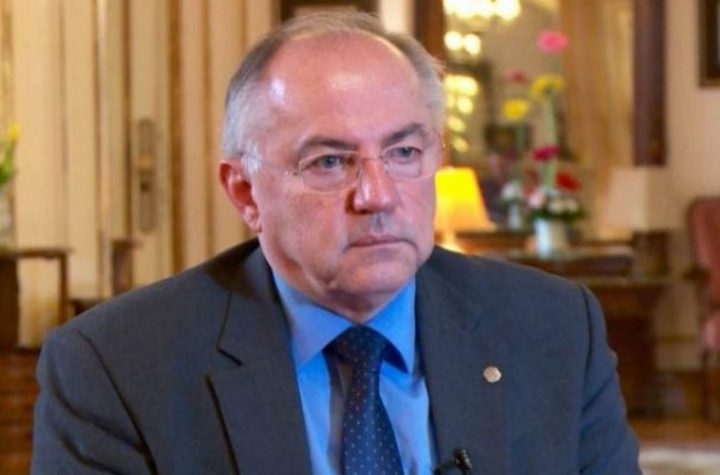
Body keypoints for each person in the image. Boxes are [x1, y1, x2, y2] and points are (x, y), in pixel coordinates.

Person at [31, 12, 640, 475]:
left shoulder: (554, 328)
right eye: (329, 161)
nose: (377, 195)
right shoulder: (116, 367)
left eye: (404, 152)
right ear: (245, 192)